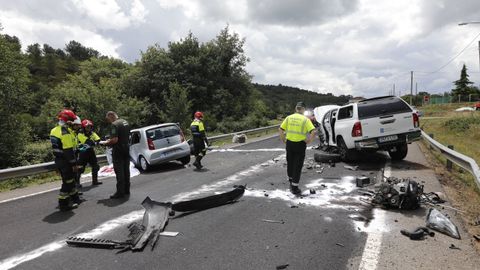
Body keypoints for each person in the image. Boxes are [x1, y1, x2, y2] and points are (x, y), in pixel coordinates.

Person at [278, 102, 317, 195]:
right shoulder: (305, 119)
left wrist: (284, 140)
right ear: (303, 109)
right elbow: (313, 132)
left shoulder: (289, 118)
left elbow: (280, 129)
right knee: (297, 165)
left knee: (290, 163)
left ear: (296, 109)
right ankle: (295, 188)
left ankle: (291, 181)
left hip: (290, 143)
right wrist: (308, 141)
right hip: (300, 144)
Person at [50, 109, 82, 211]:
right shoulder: (65, 132)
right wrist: (74, 164)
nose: (73, 122)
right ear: (66, 120)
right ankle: (63, 204)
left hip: (59, 160)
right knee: (68, 182)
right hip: (66, 161)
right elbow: (68, 150)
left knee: (70, 180)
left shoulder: (54, 130)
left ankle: (75, 198)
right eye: (71, 120)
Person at [100, 111, 130, 199]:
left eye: (108, 118)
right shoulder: (125, 122)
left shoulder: (114, 125)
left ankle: (120, 192)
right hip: (126, 148)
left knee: (119, 171)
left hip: (118, 150)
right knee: (126, 170)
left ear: (111, 116)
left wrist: (105, 143)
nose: (108, 121)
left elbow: (114, 140)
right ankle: (126, 190)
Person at [77, 119, 102, 186]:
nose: (89, 128)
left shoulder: (92, 133)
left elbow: (98, 140)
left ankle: (95, 181)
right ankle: (77, 183)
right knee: (80, 168)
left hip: (91, 152)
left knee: (95, 166)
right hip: (83, 152)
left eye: (90, 126)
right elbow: (88, 142)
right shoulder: (80, 134)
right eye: (87, 127)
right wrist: (94, 142)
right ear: (83, 127)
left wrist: (94, 142)